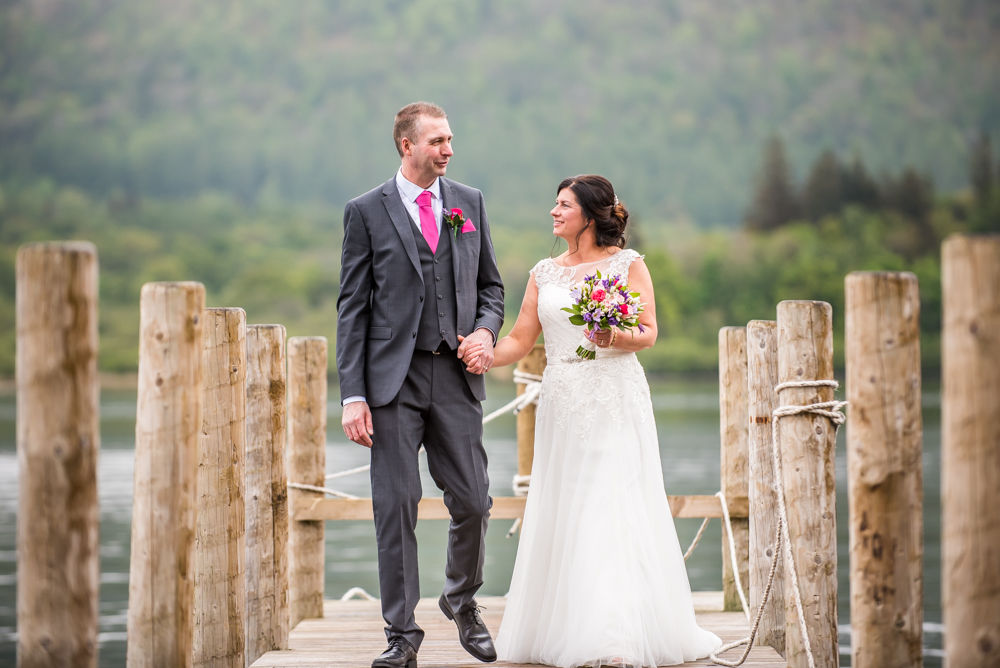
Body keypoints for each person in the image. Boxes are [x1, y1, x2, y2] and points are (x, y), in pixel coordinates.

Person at [472, 175, 723, 667]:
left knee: (609, 503)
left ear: (589, 216)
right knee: (568, 503)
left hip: (614, 396)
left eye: (563, 205)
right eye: (555, 203)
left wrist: (615, 337)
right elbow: (520, 340)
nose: (553, 211)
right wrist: (481, 352)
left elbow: (648, 332)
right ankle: (568, 628)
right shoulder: (544, 273)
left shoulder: (627, 265)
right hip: (563, 399)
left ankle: (613, 637)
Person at [336, 101, 505, 668]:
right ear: (407, 145)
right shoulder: (365, 211)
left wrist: (484, 332)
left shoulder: (468, 202)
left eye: (450, 139)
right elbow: (352, 309)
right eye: (437, 141)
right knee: (395, 506)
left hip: (456, 376)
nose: (448, 149)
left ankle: (461, 599)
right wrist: (353, 395)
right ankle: (401, 635)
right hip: (391, 383)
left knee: (475, 502)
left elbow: (492, 288)